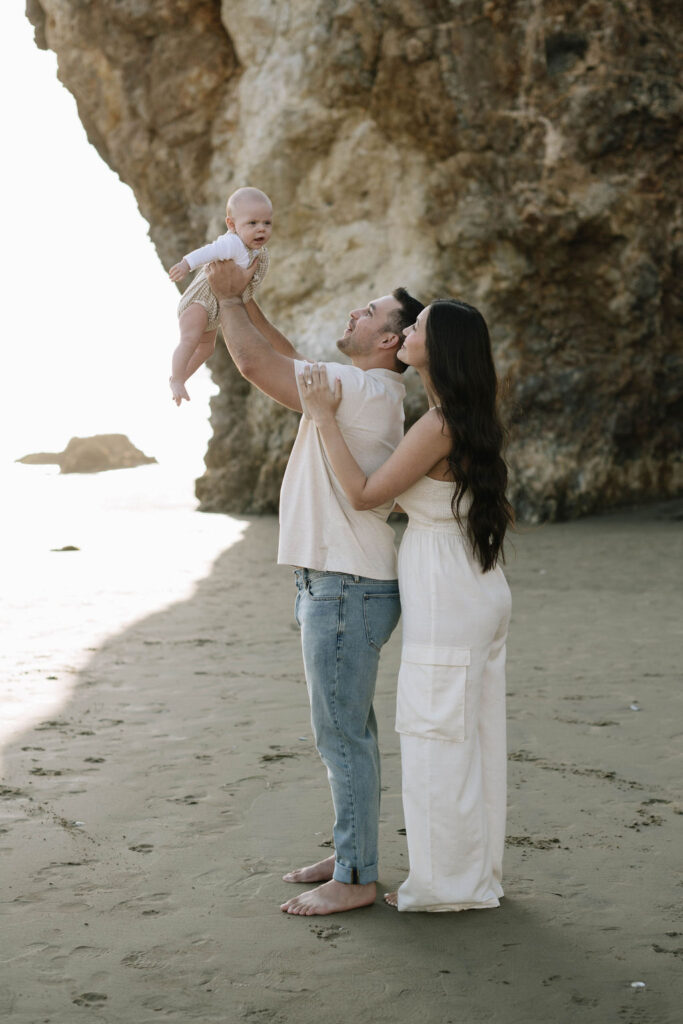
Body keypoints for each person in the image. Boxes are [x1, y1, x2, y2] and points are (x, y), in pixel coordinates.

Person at [204, 256, 423, 915]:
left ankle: (355, 875)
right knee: (345, 729)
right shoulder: (361, 387)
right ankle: (349, 846)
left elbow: (255, 367)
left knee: (341, 735)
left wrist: (223, 301)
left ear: (388, 340)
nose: (356, 311)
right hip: (339, 584)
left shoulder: (358, 391)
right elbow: (286, 354)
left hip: (343, 587)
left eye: (370, 311)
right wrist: (244, 299)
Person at [302, 299, 513, 912]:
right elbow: (418, 497)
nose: (406, 332)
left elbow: (365, 495)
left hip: (451, 593)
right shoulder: (456, 417)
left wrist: (322, 417)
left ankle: (448, 887)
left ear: (437, 348)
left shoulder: (439, 423)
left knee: (435, 734)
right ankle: (471, 876)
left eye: (417, 328)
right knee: (468, 735)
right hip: (472, 584)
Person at [167, 187, 272, 405]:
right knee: (190, 339)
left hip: (216, 309)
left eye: (266, 223)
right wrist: (186, 264)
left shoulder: (258, 251)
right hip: (200, 301)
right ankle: (176, 378)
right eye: (252, 223)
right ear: (232, 225)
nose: (261, 229)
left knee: (207, 348)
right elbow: (208, 251)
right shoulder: (232, 243)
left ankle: (181, 378)